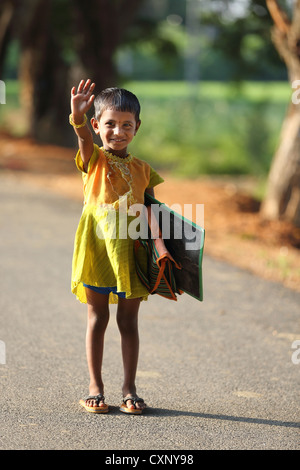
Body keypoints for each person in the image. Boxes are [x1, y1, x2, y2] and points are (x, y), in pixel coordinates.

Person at [70, 79, 164, 414]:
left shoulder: (143, 170)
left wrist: (161, 248)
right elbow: (81, 137)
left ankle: (130, 387)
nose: (118, 131)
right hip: (97, 250)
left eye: (126, 125)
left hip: (133, 253)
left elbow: (152, 210)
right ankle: (95, 386)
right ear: (97, 126)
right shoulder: (92, 159)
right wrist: (77, 117)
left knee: (129, 321)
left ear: (137, 127)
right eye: (110, 124)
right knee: (97, 316)